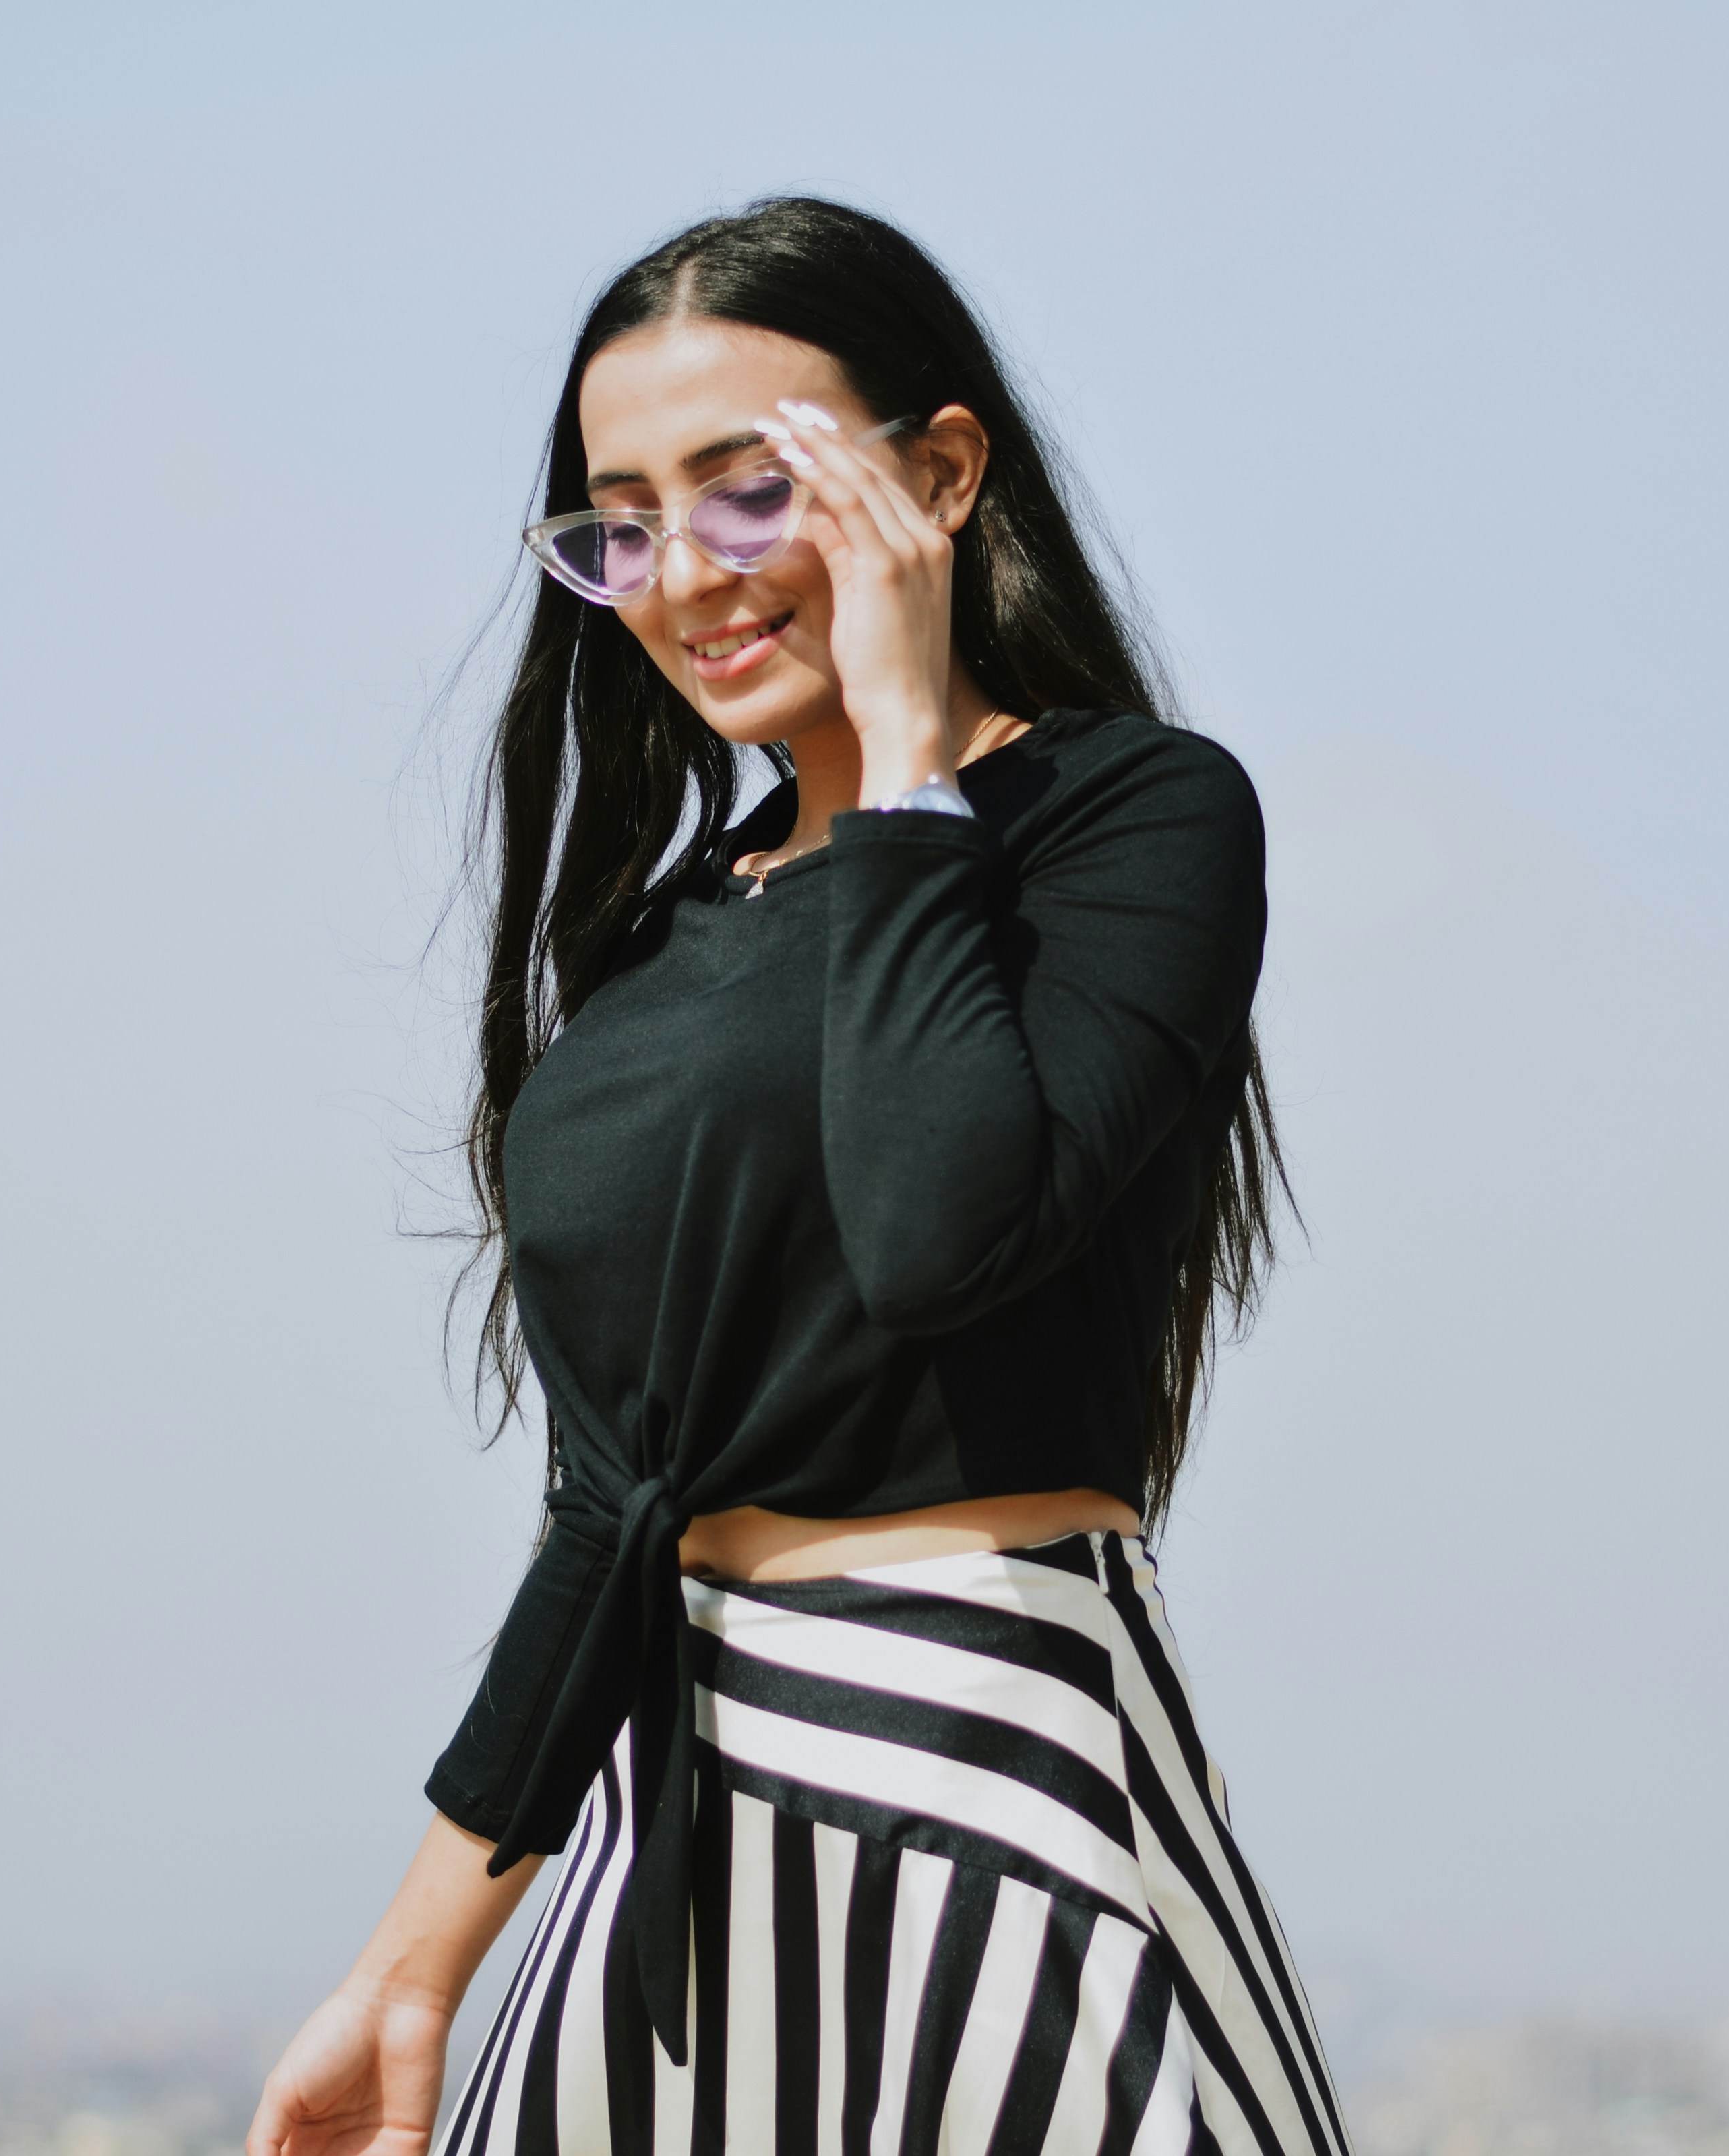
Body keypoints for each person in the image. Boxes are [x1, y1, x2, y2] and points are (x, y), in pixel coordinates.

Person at [246, 197, 1350, 2156]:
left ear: (935, 474)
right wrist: (414, 1968)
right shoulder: (658, 945)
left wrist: (912, 763)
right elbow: (608, 1500)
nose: (682, 574)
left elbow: (944, 1233)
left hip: (994, 1782)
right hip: (660, 1847)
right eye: (622, 522)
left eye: (748, 493)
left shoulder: (1126, 820)